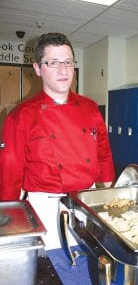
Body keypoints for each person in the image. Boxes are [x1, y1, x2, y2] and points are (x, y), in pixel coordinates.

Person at [0, 32, 115, 249]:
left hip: (88, 202)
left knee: (93, 256)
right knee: (56, 270)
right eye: (53, 63)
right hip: (46, 209)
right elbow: (9, 172)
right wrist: (10, 221)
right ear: (37, 68)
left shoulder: (90, 108)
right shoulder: (21, 116)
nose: (63, 70)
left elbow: (103, 153)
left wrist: (110, 199)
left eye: (68, 62)